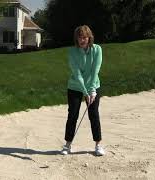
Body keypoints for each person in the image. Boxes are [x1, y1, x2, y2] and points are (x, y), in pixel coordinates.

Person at [61, 25, 105, 156]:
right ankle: (68, 145)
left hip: (93, 86)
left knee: (94, 115)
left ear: (89, 37)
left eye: (84, 37)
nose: (82, 40)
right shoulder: (72, 51)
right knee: (72, 115)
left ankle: (98, 145)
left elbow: (95, 71)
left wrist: (92, 91)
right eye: (79, 38)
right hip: (75, 86)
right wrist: (85, 93)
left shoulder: (97, 49)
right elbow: (77, 74)